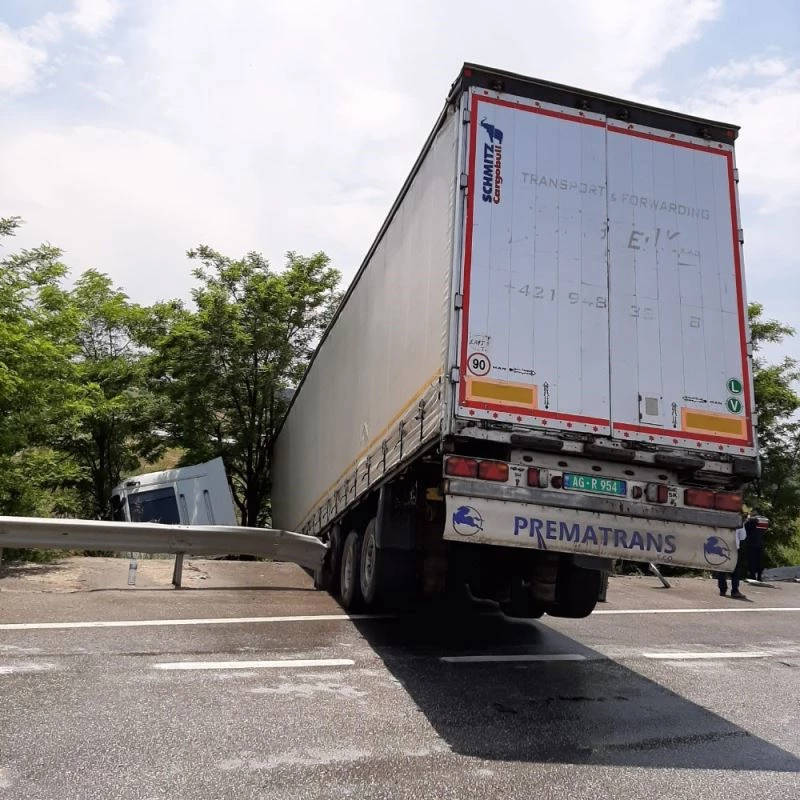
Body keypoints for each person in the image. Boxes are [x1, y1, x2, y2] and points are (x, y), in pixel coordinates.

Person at [716, 525, 746, 599]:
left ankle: (722, 590)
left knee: (721, 568)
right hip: (734, 548)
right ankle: (735, 591)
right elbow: (743, 537)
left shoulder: (720, 520)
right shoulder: (739, 522)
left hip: (722, 545)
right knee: (735, 570)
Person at [745, 510, 768, 582]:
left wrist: (748, 518)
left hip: (751, 543)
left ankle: (752, 576)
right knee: (760, 560)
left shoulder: (751, 520)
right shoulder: (765, 520)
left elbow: (745, 527)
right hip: (760, 543)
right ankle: (759, 576)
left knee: (751, 560)